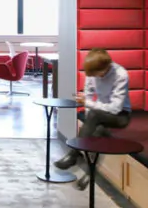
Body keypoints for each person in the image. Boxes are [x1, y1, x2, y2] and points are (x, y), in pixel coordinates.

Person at [55, 48, 131, 189]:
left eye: (97, 74)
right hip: (99, 114)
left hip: (120, 116)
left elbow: (115, 108)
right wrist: (89, 116)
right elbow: (88, 94)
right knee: (97, 131)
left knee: (95, 116)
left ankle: (74, 154)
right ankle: (90, 174)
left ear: (106, 67)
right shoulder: (92, 72)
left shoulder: (121, 75)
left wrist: (89, 107)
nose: (95, 77)